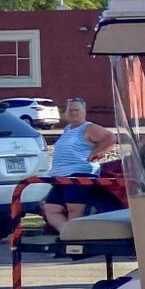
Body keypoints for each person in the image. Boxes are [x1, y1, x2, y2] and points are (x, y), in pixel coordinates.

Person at [41, 98, 118, 233]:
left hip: (79, 175)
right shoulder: (68, 129)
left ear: (84, 112)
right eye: (70, 110)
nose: (73, 113)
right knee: (51, 208)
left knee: (74, 210)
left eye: (77, 110)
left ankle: (75, 242)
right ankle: (68, 234)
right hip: (61, 178)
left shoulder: (88, 127)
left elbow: (110, 138)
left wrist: (95, 153)